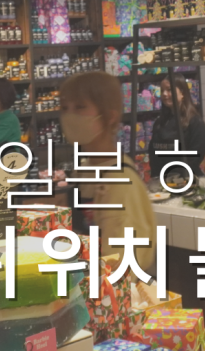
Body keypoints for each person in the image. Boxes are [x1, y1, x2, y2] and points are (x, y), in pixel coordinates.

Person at [59, 71, 156, 271]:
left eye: (80, 107)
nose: (70, 116)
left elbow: (119, 266)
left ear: (110, 117)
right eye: (64, 108)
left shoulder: (120, 182)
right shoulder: (86, 168)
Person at [149, 74, 205, 180]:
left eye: (169, 90)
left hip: (186, 181)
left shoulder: (195, 122)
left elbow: (196, 156)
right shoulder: (159, 122)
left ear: (183, 93)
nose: (164, 94)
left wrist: (176, 178)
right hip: (161, 181)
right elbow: (153, 154)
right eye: (162, 90)